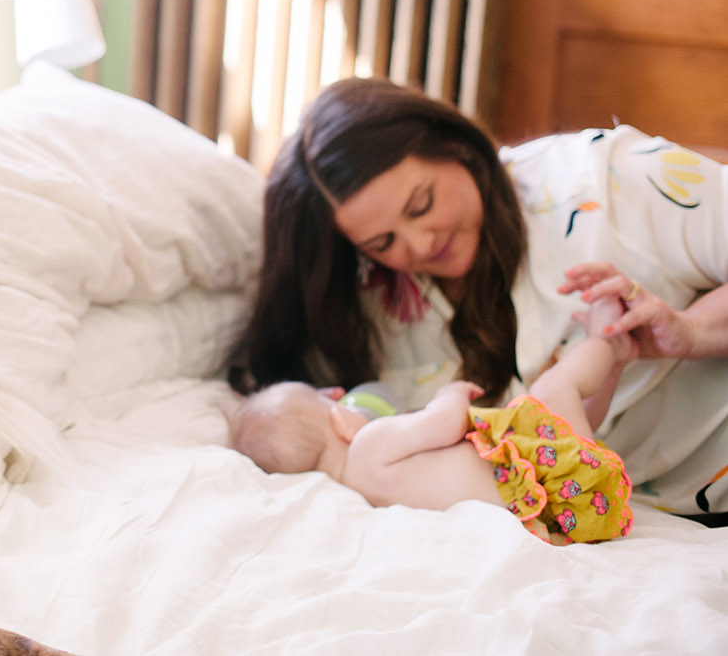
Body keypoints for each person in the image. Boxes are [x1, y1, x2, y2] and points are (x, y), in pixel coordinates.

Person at [225, 76, 728, 518]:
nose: (420, 245)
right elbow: (286, 407)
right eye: (383, 244)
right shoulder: (376, 312)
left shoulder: (606, 183)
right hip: (598, 499)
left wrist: (693, 331)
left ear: (454, 146)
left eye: (421, 204)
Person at [229, 330, 636, 544]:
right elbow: (445, 424)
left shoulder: (359, 492)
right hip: (558, 484)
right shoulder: (368, 445)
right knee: (554, 388)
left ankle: (613, 362)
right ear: (340, 421)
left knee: (564, 422)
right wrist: (450, 393)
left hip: (558, 512)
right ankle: (612, 340)